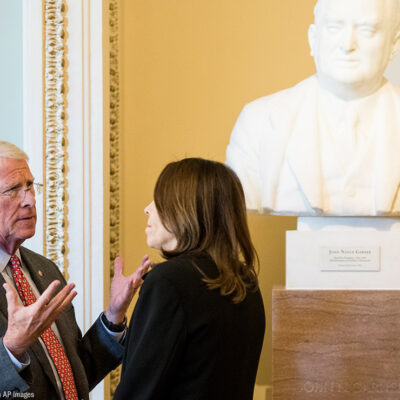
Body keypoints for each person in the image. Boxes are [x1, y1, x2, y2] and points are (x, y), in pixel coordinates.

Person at [0, 141, 150, 399]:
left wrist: (113, 316)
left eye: (30, 186)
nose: (31, 200)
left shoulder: (43, 269)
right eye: (14, 189)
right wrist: (12, 349)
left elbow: (76, 374)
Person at [226, 0, 400, 216]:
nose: (347, 44)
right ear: (313, 39)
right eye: (334, 27)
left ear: (394, 44)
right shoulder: (258, 122)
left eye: (367, 30)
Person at [114, 158, 265, 400]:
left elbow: (138, 393)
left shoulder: (169, 282)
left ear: (182, 209)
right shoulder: (246, 282)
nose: (147, 208)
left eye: (158, 199)